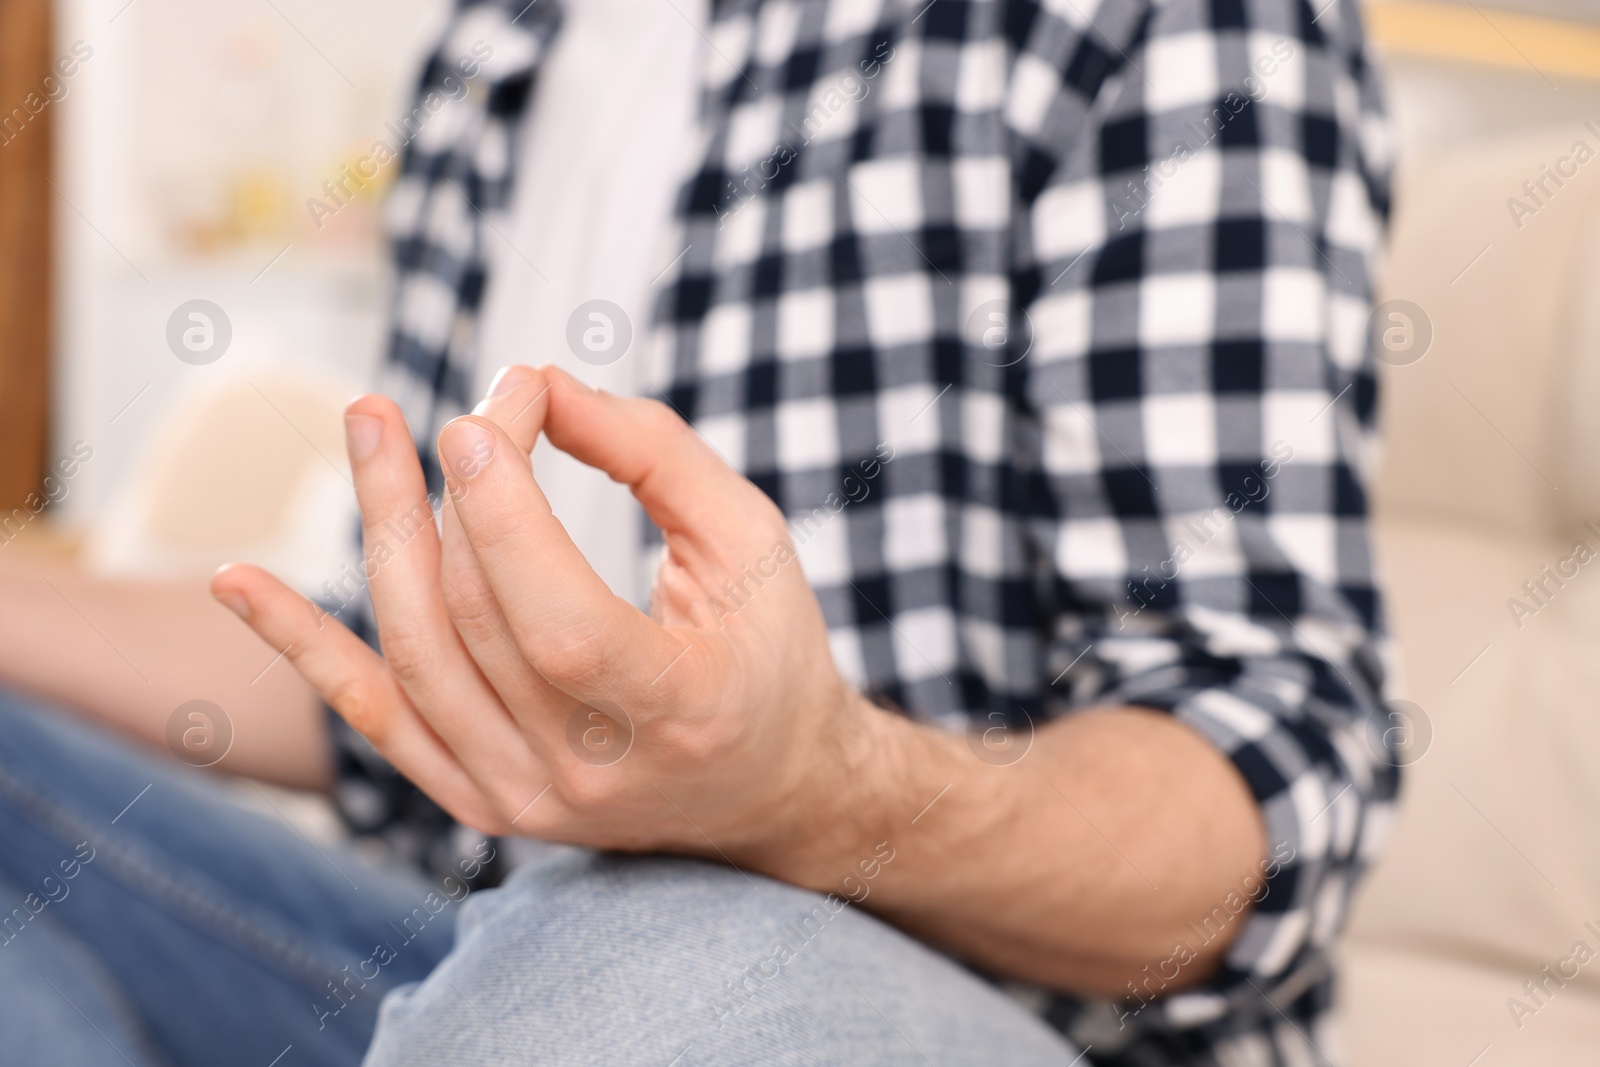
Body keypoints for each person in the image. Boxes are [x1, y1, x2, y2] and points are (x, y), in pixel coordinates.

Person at [0, 0, 1399, 1062]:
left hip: (935, 1006)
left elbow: (1262, 789)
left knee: (638, 934)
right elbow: (426, 680)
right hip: (469, 966)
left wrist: (813, 791)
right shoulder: (502, 41)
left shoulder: (1154, 26)